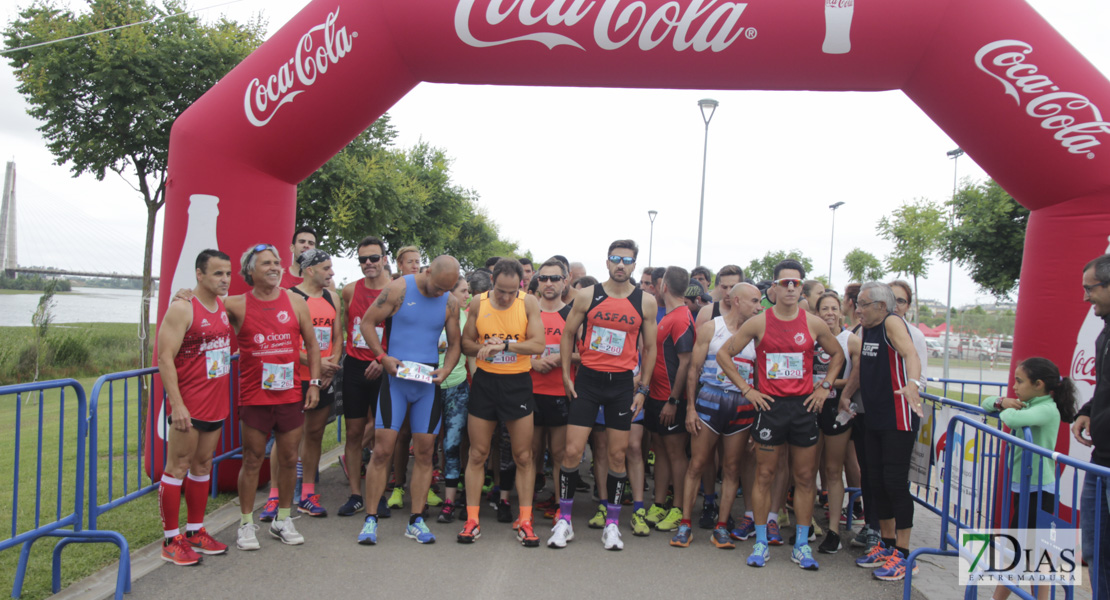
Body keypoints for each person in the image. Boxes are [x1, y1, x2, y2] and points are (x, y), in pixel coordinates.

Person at [715, 260, 844, 570]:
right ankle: (761, 541)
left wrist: (823, 387)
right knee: (763, 475)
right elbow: (724, 354)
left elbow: (837, 354)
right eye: (784, 282)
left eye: (796, 283)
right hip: (770, 408)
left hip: (803, 408)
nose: (790, 288)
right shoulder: (759, 322)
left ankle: (801, 544)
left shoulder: (813, 323)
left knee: (803, 477)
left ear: (801, 287)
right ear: (773, 288)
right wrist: (748, 389)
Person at [548, 240, 658, 551]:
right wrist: (568, 375)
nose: (620, 265)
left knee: (617, 456)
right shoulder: (588, 295)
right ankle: (565, 521)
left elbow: (650, 349)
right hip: (589, 381)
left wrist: (644, 389)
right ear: (607, 262)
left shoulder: (645, 301)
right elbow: (568, 333)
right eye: (615, 259)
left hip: (622, 385)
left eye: (627, 260)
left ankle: (612, 524)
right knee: (571, 452)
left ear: (635, 265)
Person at [356, 255, 462, 545]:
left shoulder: (450, 301)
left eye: (446, 288)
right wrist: (382, 356)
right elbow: (367, 323)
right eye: (437, 286)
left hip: (427, 383)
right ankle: (370, 519)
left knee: (426, 451)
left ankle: (416, 519)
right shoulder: (399, 288)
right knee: (382, 450)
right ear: (427, 272)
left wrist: (447, 369)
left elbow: (455, 344)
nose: (439, 293)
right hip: (396, 380)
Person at [226, 244, 321, 551]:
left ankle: (283, 518)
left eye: (277, 262)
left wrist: (315, 384)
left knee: (289, 458)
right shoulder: (236, 304)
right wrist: (185, 295)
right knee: (253, 459)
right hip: (255, 396)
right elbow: (203, 307)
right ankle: (245, 524)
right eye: (266, 263)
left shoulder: (295, 301)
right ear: (250, 271)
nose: (275, 267)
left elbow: (312, 344)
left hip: (291, 394)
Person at [459, 258, 545, 546]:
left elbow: (538, 344)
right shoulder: (477, 303)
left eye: (512, 291)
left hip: (517, 383)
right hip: (486, 383)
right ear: (492, 281)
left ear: (520, 285)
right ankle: (472, 520)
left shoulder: (528, 303)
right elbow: (466, 343)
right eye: (500, 290)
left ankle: (525, 519)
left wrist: (505, 345)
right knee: (478, 453)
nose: (506, 297)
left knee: (523, 456)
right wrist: (483, 347)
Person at [155, 249, 234, 565]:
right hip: (189, 405)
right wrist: (177, 405)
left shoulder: (222, 305)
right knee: (178, 467)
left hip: (216, 404)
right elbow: (164, 358)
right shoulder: (183, 308)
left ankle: (195, 531)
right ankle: (170, 539)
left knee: (203, 466)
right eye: (217, 273)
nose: (224, 279)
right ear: (199, 275)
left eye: (227, 273)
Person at [982, 357, 1076, 600]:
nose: (1014, 386)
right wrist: (1002, 402)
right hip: (1025, 486)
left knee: (1026, 552)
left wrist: (1005, 407)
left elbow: (1012, 419)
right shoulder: (1029, 403)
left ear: (1039, 384)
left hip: (1039, 489)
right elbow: (986, 404)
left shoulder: (1045, 409)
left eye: (1019, 381)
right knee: (1027, 551)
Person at [681, 282, 763, 550]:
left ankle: (721, 527)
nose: (759, 307)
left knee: (731, 468)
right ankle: (685, 524)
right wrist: (690, 407)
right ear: (737, 300)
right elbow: (693, 370)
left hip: (741, 405)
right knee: (698, 464)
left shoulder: (757, 334)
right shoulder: (711, 327)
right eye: (754, 301)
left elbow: (761, 378)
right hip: (710, 400)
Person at [852, 281, 924, 581]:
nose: (858, 309)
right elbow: (861, 366)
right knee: (876, 482)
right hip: (875, 416)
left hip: (899, 418)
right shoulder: (866, 327)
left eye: (863, 304)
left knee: (894, 484)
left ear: (881, 306)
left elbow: (910, 355)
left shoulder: (892, 323)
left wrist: (912, 384)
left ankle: (906, 557)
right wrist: (847, 394)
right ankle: (887, 543)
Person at [337, 237, 392, 518]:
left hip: (382, 367)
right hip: (356, 369)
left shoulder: (395, 291)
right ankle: (355, 494)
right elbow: (344, 328)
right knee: (355, 433)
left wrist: (381, 358)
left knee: (382, 437)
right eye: (362, 259)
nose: (368, 264)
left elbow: (402, 333)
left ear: (384, 258)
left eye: (373, 258)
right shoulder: (349, 291)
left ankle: (378, 494)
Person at [641, 267, 695, 542]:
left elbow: (686, 362)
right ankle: (659, 504)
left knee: (676, 454)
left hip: (672, 400)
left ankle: (679, 509)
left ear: (663, 286)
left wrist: (674, 401)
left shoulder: (682, 316)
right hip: (655, 395)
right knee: (660, 450)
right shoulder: (670, 315)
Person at [287, 249, 342, 517]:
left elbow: (338, 335)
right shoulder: (290, 297)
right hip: (294, 377)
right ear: (309, 270)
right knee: (287, 437)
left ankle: (307, 493)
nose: (331, 273)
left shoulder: (332, 297)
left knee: (314, 435)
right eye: (326, 268)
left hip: (324, 376)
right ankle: (279, 494)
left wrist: (330, 367)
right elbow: (284, 342)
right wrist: (314, 363)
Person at [812, 292, 860, 554]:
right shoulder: (810, 336)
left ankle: (833, 530)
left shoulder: (850, 340)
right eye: (824, 308)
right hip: (811, 407)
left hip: (836, 409)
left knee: (832, 470)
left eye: (834, 308)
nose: (829, 313)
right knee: (806, 471)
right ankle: (804, 524)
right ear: (817, 312)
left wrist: (835, 386)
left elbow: (860, 374)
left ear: (841, 312)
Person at [1074, 254, 1110, 600]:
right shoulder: (1105, 331)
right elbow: (1104, 385)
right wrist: (1087, 409)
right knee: (1095, 547)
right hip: (1100, 459)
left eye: (1090, 289)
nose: (1086, 297)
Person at [529, 260, 576, 518]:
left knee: (559, 454)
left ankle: (560, 506)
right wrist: (533, 362)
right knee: (530, 453)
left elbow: (586, 353)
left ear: (565, 281)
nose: (549, 283)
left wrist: (561, 358)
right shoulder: (528, 311)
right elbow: (515, 349)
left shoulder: (572, 314)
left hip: (560, 392)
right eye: (544, 278)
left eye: (555, 278)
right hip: (531, 391)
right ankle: (526, 508)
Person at [438, 276, 472, 523]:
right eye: (463, 291)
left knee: (452, 445)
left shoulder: (467, 318)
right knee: (427, 446)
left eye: (468, 291)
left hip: (458, 388)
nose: (467, 296)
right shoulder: (431, 314)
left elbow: (471, 356)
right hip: (427, 386)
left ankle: (450, 500)